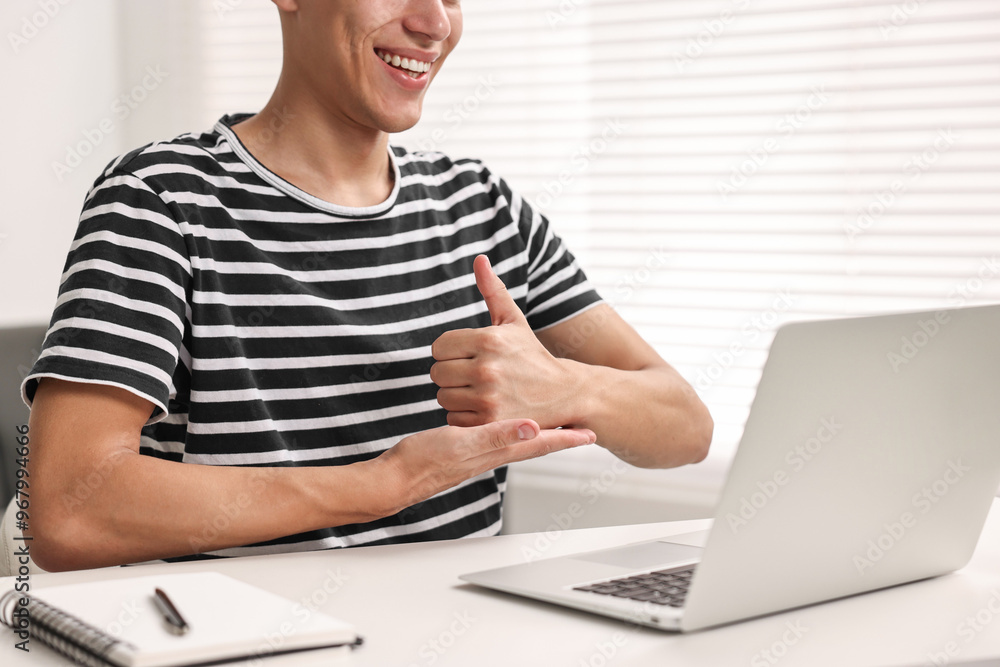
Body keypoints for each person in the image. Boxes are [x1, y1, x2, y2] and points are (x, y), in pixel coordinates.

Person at [23, 0, 713, 572]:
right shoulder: (159, 201)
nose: (434, 22)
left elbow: (684, 426)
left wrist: (571, 390)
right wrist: (382, 483)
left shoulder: (481, 204)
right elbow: (65, 510)